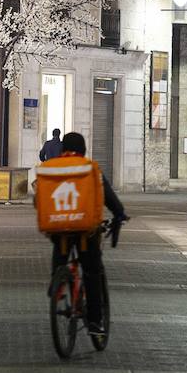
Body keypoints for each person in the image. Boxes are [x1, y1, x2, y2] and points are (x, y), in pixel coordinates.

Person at [48, 131, 127, 336]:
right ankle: (94, 322)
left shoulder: (51, 168)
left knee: (60, 251)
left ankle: (57, 282)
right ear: (83, 149)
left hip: (59, 228)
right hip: (86, 231)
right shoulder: (91, 169)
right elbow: (108, 197)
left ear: (63, 148)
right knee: (92, 271)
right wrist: (119, 214)